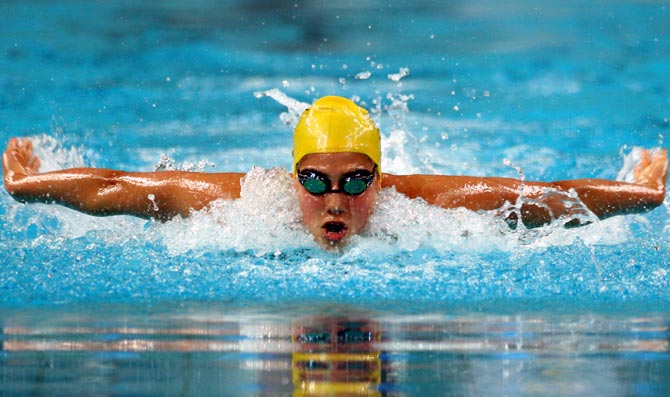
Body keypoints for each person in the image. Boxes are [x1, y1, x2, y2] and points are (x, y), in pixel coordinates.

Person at [2, 96, 668, 249]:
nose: (336, 198)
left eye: (355, 180)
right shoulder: (247, 204)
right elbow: (120, 189)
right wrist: (23, 182)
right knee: (166, 188)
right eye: (316, 180)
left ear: (378, 179)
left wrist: (643, 190)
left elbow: (548, 200)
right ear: (294, 177)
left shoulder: (422, 207)